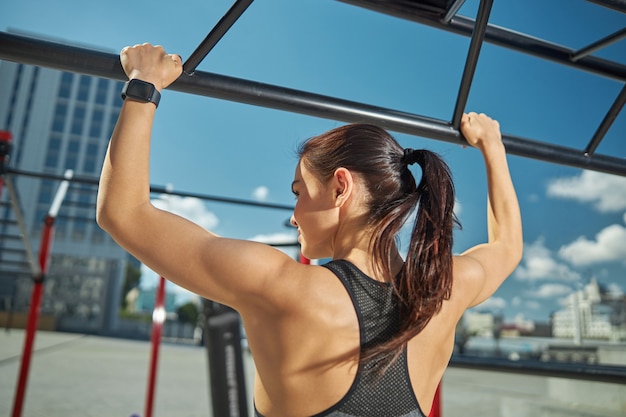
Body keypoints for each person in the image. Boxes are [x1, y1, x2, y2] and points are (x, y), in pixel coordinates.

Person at [97, 43, 523, 417]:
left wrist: (144, 84)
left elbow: (124, 213)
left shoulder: (280, 286)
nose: (294, 214)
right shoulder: (443, 293)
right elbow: (507, 247)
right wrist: (493, 147)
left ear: (341, 187)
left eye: (299, 191)